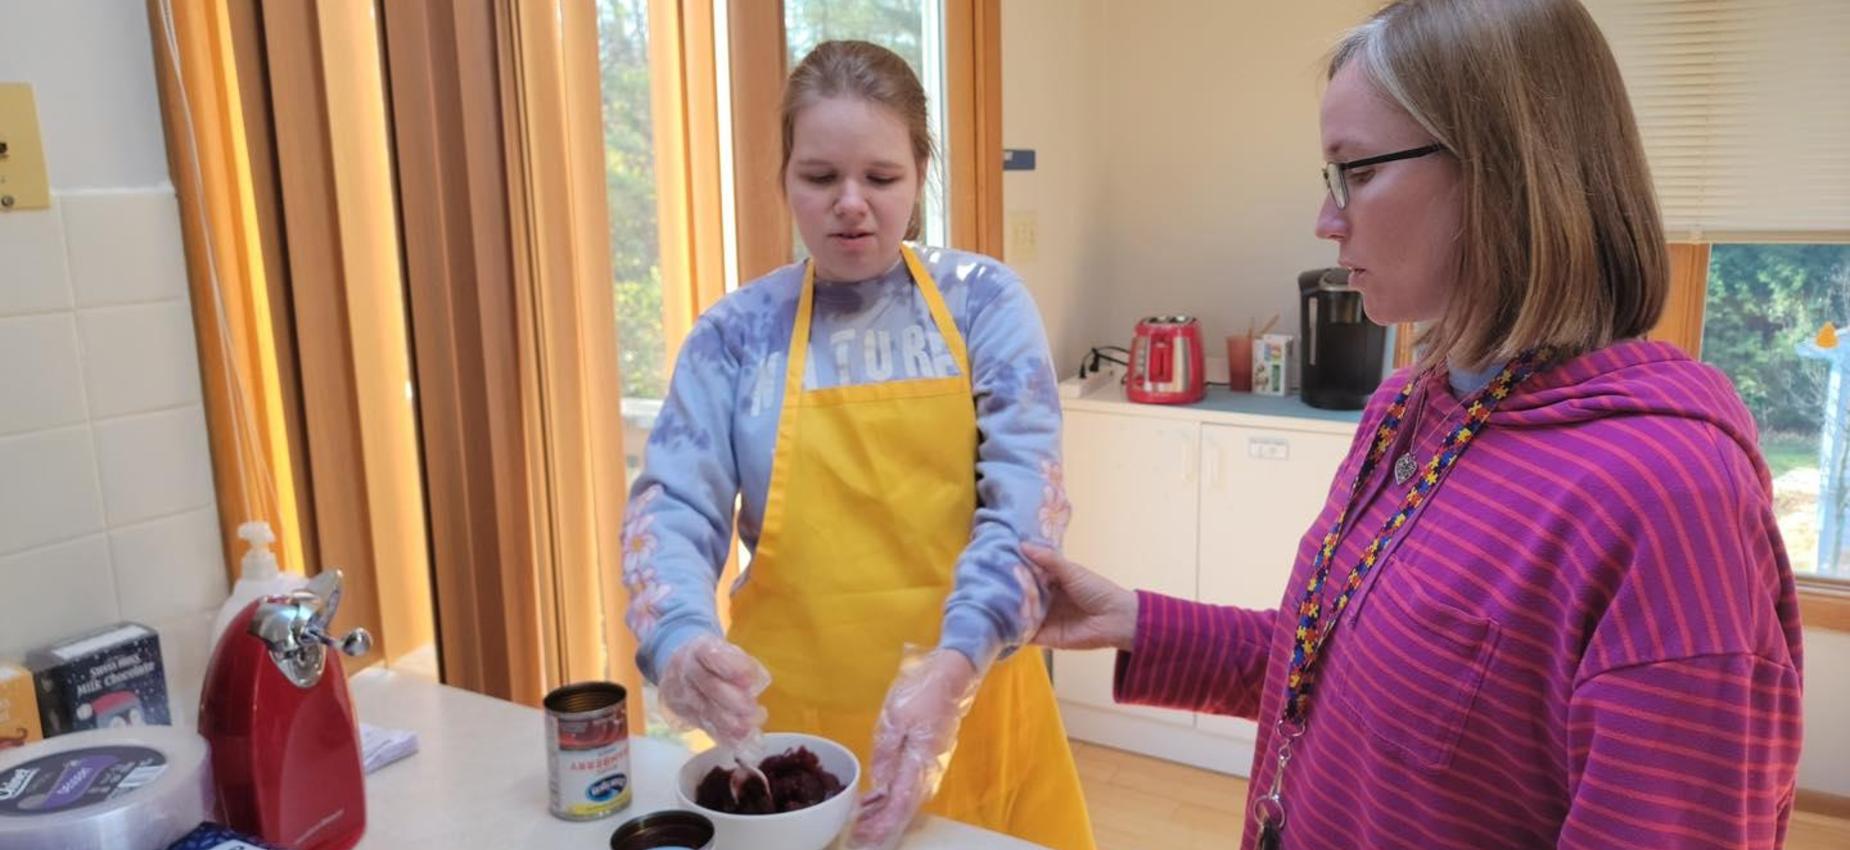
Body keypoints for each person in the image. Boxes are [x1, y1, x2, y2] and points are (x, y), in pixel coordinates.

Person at [1026, 1, 1803, 848]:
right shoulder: (1410, 409)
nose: (1327, 221)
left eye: (1356, 171)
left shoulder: (1668, 506)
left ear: (1506, 169)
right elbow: (1338, 676)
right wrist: (1134, 619)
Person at [619, 39, 1095, 850]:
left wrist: (954, 667)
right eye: (819, 177)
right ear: (785, 181)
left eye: (880, 178)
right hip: (787, 739)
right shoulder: (735, 337)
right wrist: (681, 639)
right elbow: (674, 509)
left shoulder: (983, 307)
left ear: (917, 179)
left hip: (970, 700)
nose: (850, 203)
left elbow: (1024, 506)